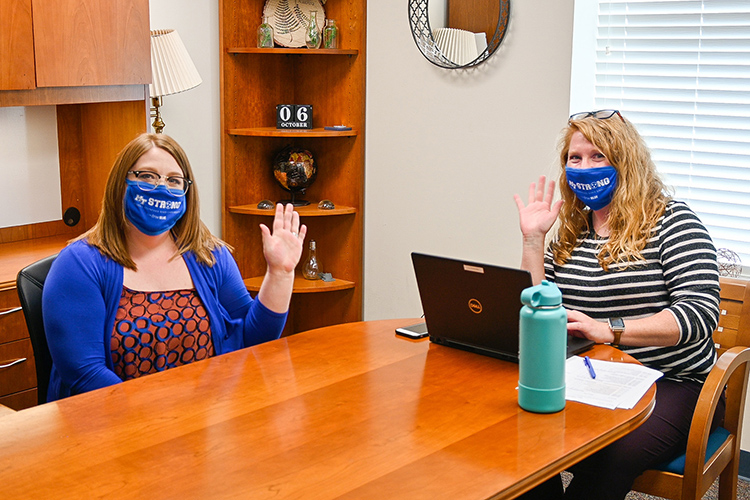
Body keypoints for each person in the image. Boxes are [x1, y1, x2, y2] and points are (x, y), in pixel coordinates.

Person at [513, 110, 723, 499]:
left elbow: (699, 314)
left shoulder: (673, 222)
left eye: (598, 156)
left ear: (626, 163)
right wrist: (532, 241)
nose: (584, 167)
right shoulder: (573, 229)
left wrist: (610, 328)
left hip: (673, 382)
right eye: (574, 158)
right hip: (590, 376)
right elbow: (535, 306)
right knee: (523, 436)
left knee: (611, 454)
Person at [42, 133, 307, 402]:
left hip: (200, 421)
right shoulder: (79, 264)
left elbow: (253, 340)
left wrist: (280, 274)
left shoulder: (209, 255)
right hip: (113, 428)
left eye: (173, 180)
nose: (161, 188)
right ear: (120, 183)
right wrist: (163, 422)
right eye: (146, 176)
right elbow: (85, 374)